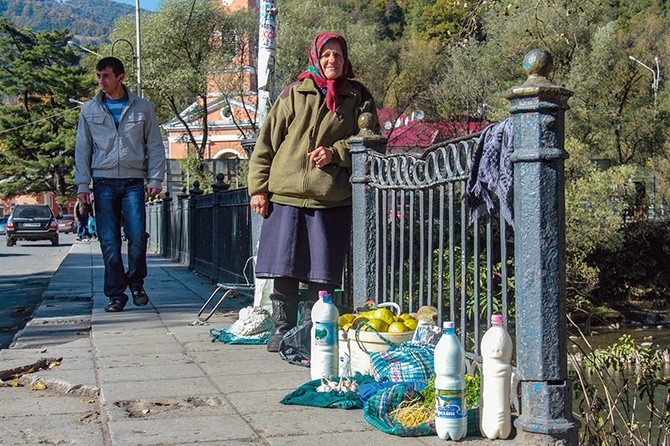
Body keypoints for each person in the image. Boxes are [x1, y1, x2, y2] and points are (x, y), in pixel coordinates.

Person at [248, 33, 378, 352]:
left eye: (337, 55)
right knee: (285, 265)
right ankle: (282, 327)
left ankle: (309, 330)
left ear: (345, 60)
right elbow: (266, 143)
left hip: (330, 197)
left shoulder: (357, 96)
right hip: (287, 193)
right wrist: (258, 189)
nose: (332, 60)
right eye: (326, 55)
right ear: (316, 58)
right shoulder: (295, 93)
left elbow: (370, 140)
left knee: (323, 269)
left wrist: (335, 153)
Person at [74, 57, 165, 313]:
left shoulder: (142, 108)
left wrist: (156, 178)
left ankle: (136, 282)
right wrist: (82, 184)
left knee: (137, 235)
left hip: (133, 182)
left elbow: (155, 146)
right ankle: (116, 295)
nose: (101, 81)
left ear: (120, 77)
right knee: (109, 241)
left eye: (106, 76)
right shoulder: (89, 110)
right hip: (102, 183)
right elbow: (82, 149)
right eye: (98, 76)